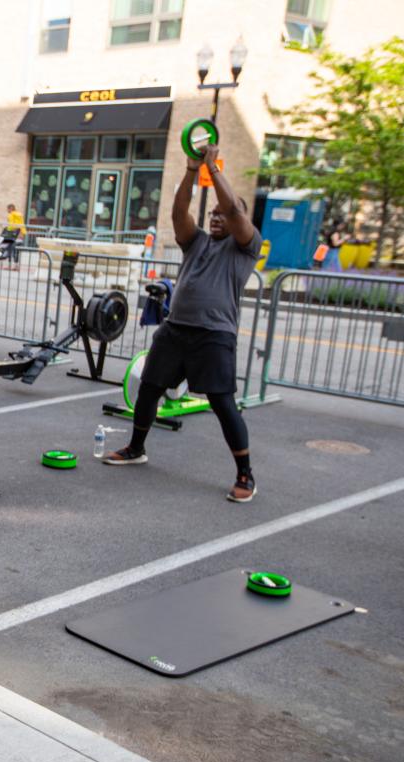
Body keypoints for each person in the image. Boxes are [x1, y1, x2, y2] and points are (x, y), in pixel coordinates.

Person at [103, 143, 262, 503]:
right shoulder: (197, 242)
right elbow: (178, 210)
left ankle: (245, 475)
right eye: (214, 215)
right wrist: (192, 170)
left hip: (214, 335)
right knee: (149, 387)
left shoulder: (246, 247)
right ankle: (135, 448)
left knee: (223, 404)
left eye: (224, 214)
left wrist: (213, 168)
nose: (217, 218)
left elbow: (236, 209)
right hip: (176, 330)